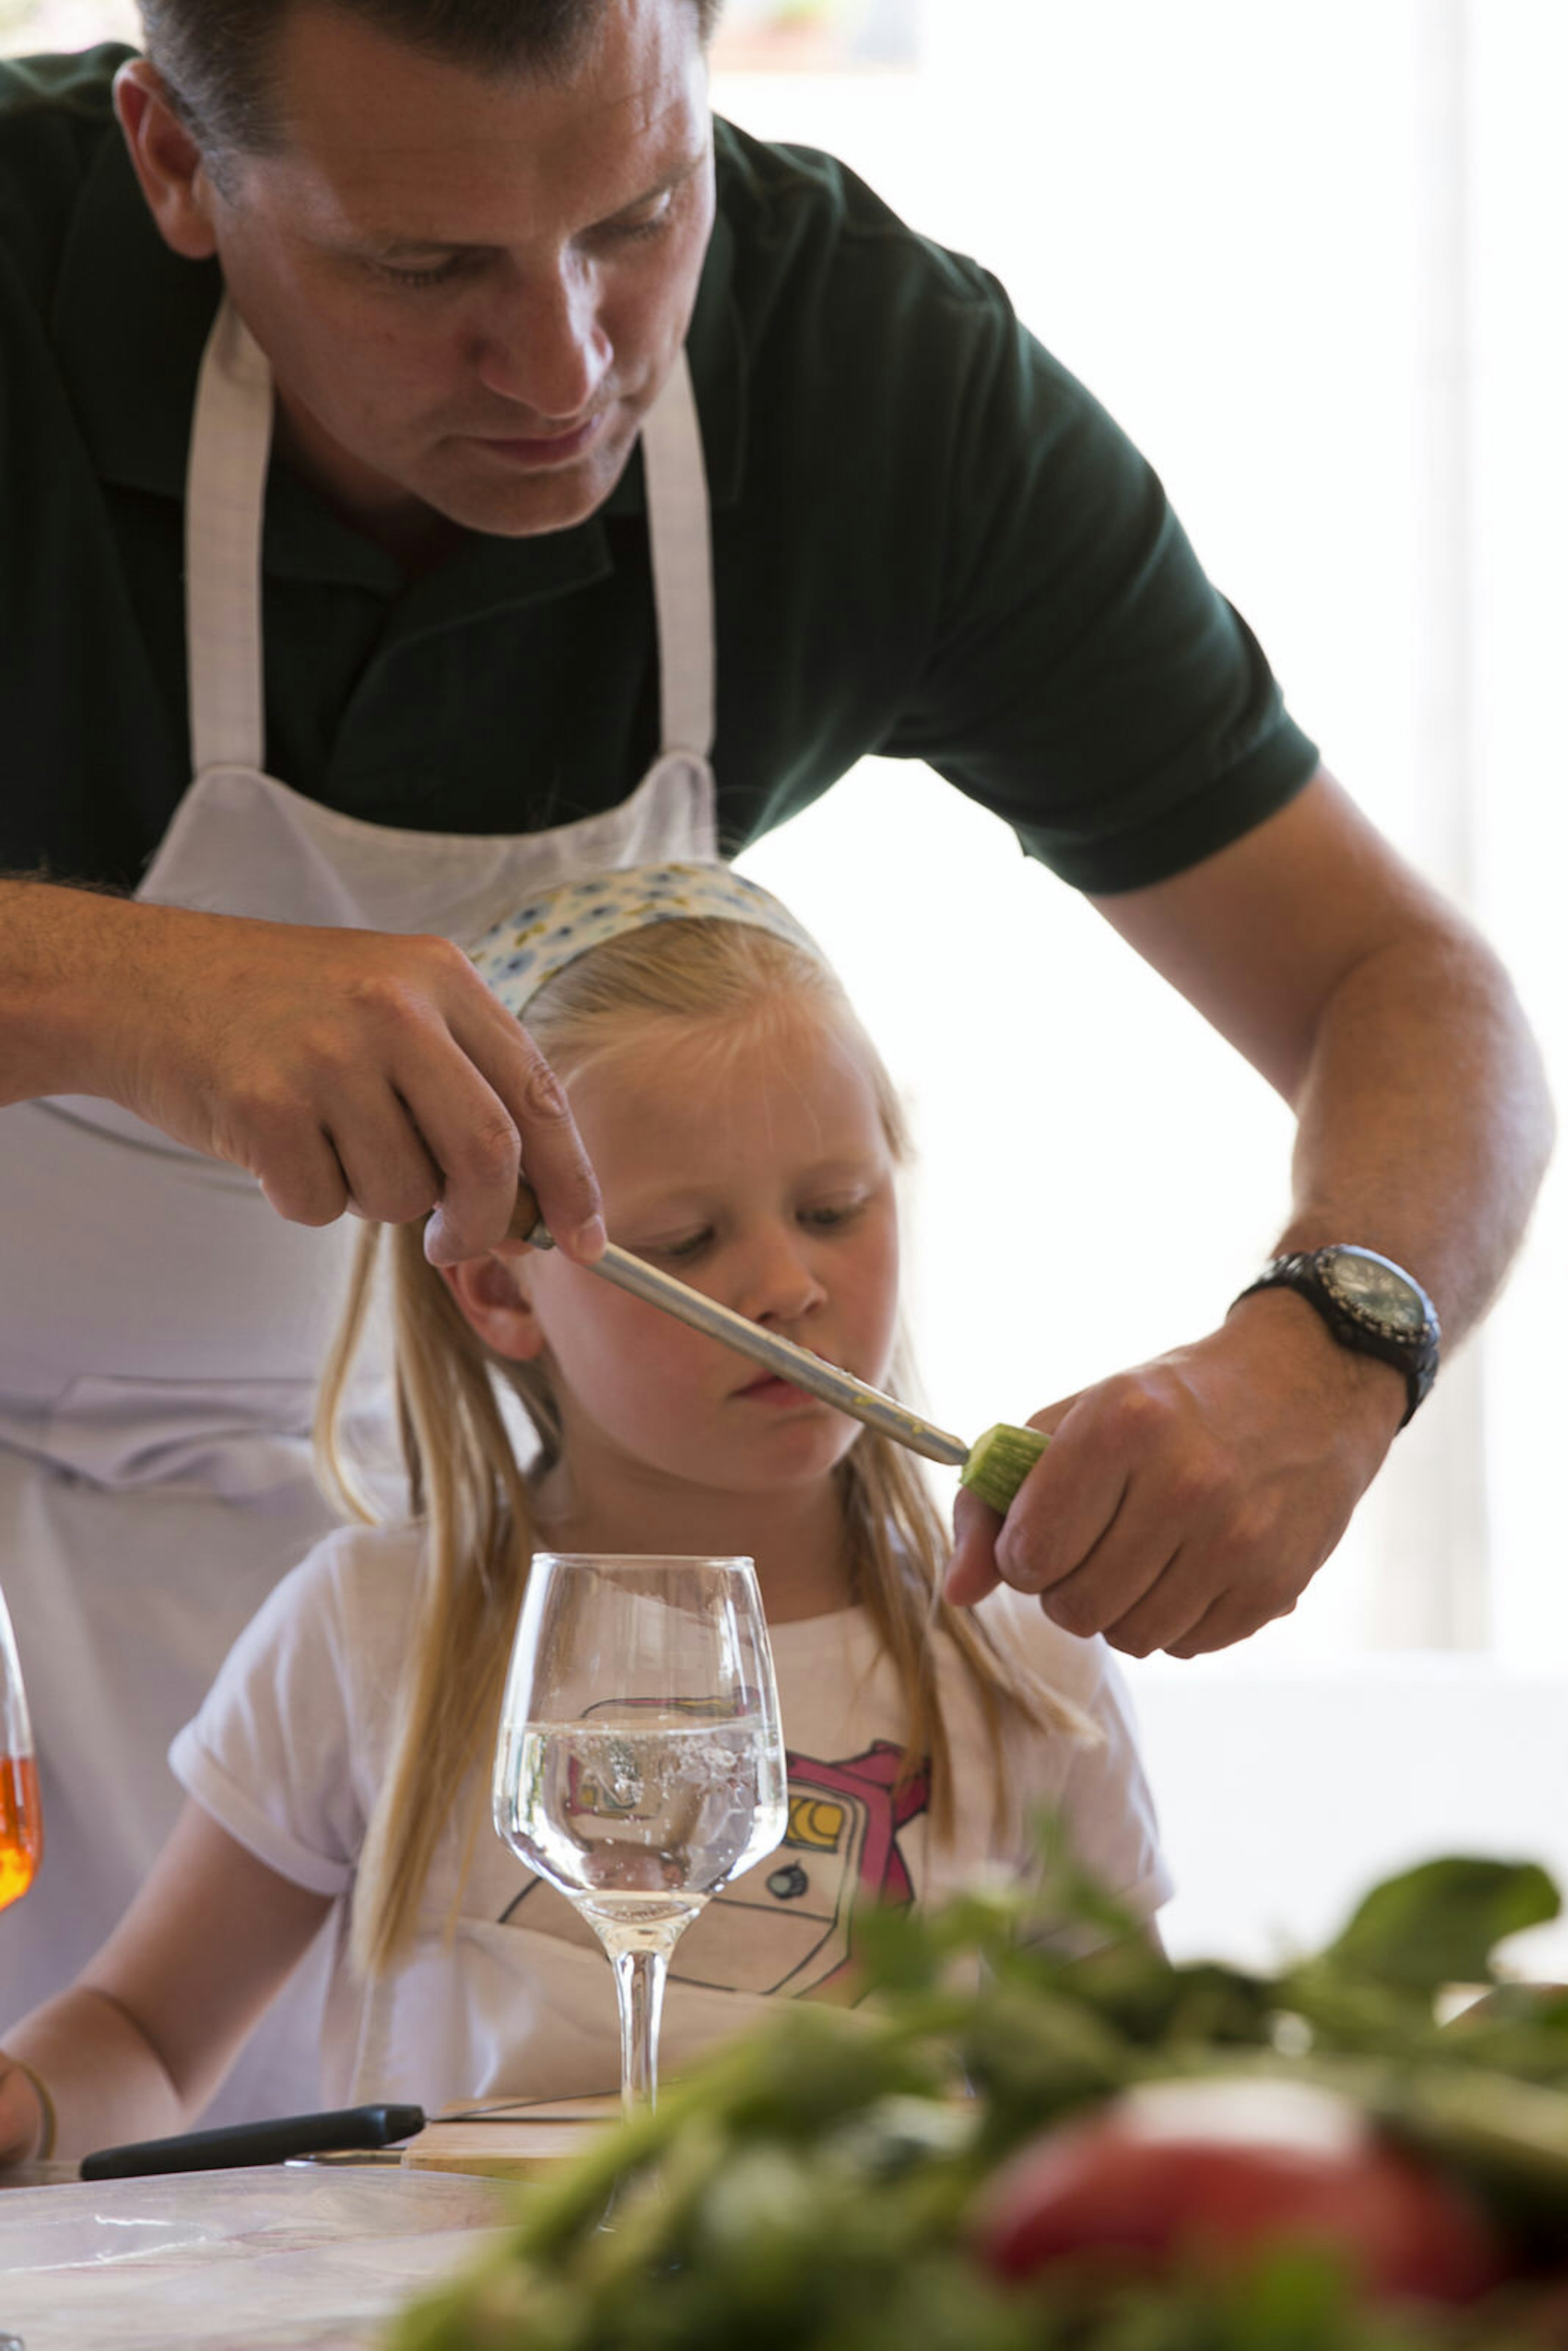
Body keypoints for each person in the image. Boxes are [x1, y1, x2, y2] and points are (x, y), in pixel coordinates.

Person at [0, 0, 1550, 2119]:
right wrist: (113, 989)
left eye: (640, 215)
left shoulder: (882, 389)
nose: (563, 371)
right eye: (425, 268)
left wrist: (1333, 1343)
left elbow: (1407, 983)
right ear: (174, 160)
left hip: (453, 1553)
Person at [0, 864, 1169, 2160]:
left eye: (835, 1210)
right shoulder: (372, 1627)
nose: (788, 1286)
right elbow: (146, 2037)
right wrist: (30, 2105)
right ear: (503, 1294)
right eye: (685, 1242)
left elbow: (1138, 2078)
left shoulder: (1024, 1653)